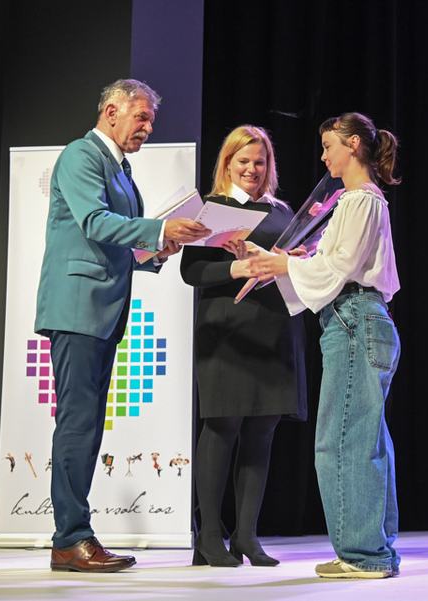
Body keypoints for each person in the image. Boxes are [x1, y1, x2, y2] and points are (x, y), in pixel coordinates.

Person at [34, 79, 210, 573]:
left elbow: (117, 245)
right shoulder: (81, 155)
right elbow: (93, 222)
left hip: (102, 311)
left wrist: (158, 248)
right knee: (78, 424)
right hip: (77, 309)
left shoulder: (121, 169)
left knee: (87, 426)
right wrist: (159, 228)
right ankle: (70, 539)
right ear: (112, 111)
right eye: (142, 118)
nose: (148, 128)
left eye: (151, 120)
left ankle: (75, 536)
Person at [245, 112, 402, 579]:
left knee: (343, 441)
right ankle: (375, 549)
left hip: (353, 319)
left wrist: (284, 265)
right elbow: (333, 261)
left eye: (330, 145)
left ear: (353, 145)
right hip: (358, 318)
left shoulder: (359, 199)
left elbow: (342, 267)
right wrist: (295, 260)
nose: (323, 155)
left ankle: (363, 554)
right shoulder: (362, 201)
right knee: (366, 439)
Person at [180, 125, 307, 567]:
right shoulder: (210, 209)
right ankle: (209, 537)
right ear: (227, 163)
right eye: (244, 161)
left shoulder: (281, 211)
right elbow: (192, 272)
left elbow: (291, 263)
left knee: (262, 431)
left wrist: (297, 259)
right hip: (227, 332)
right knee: (222, 427)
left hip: (274, 328)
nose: (252, 169)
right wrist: (238, 269)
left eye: (259, 161)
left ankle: (248, 536)